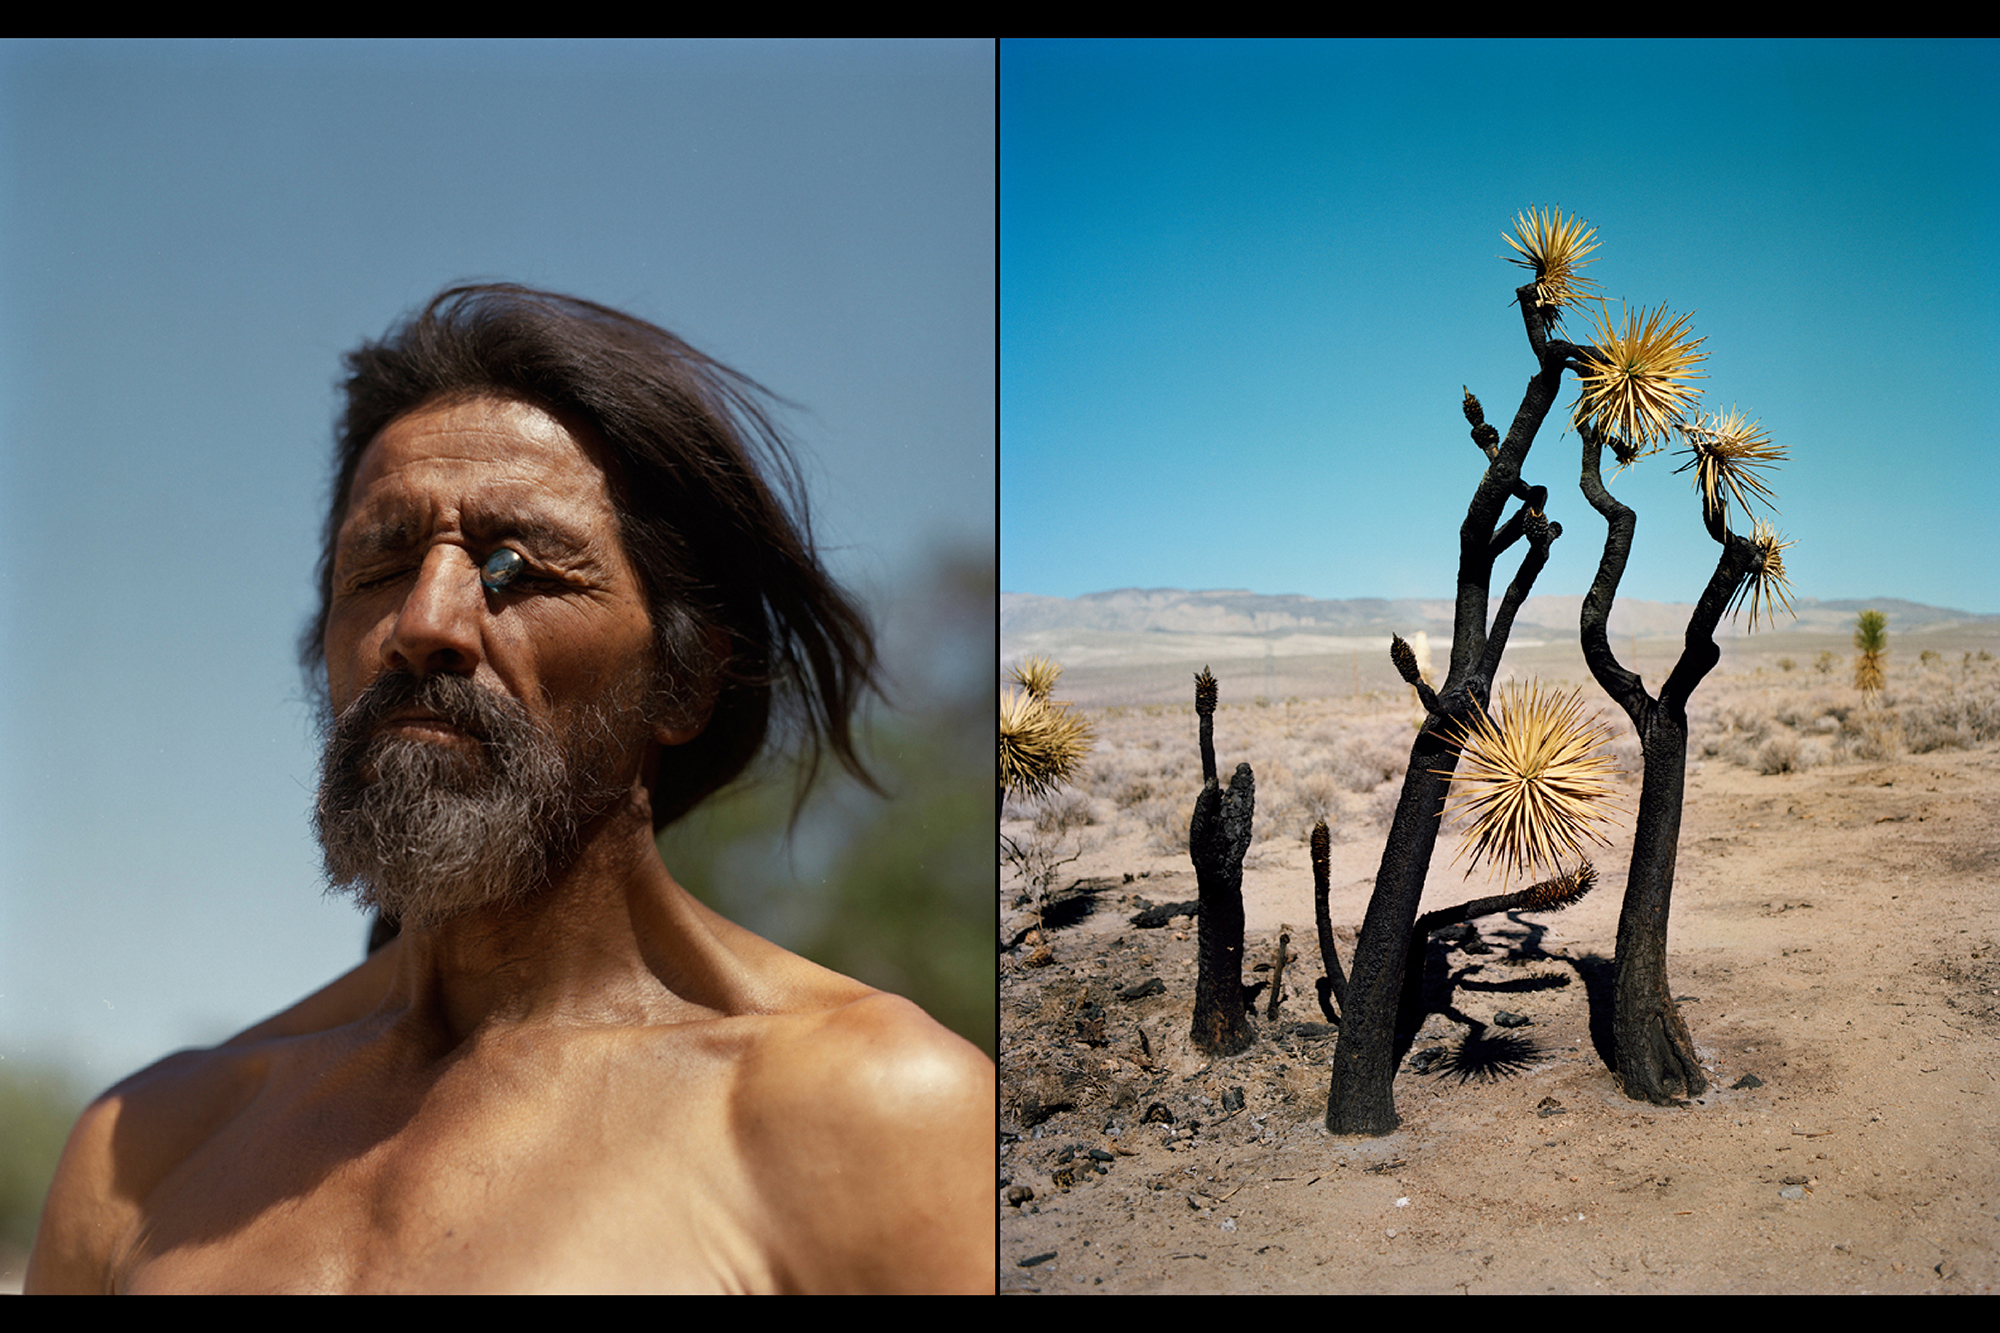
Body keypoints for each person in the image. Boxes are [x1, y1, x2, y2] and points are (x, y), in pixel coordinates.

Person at [26, 284, 995, 1294]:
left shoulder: (866, 1115)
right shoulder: (145, 1157)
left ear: (684, 678)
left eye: (514, 567)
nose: (425, 619)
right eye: (379, 567)